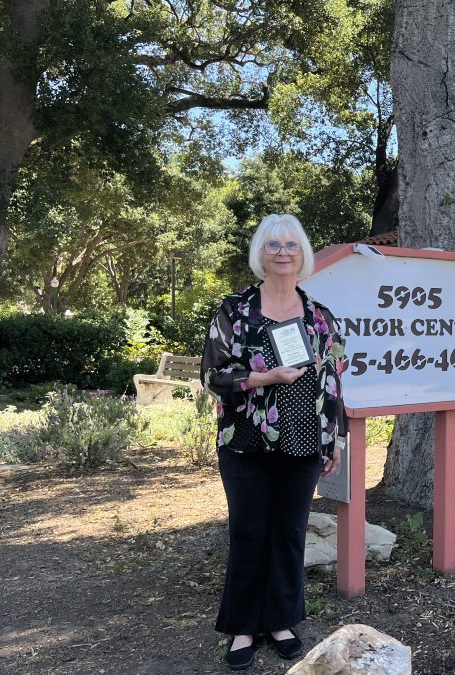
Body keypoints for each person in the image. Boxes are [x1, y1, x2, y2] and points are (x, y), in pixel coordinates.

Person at [200, 213, 347, 670]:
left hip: (304, 444)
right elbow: (212, 375)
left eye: (291, 245)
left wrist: (335, 437)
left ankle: (281, 620)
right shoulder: (234, 310)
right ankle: (244, 627)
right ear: (260, 254)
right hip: (245, 442)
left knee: (287, 534)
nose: (283, 252)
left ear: (302, 254)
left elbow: (336, 380)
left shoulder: (320, 316)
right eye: (273, 245)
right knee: (249, 532)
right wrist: (265, 377)